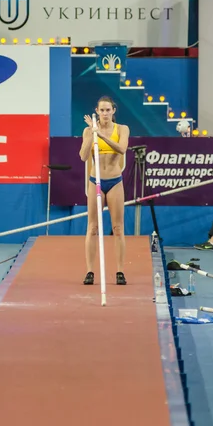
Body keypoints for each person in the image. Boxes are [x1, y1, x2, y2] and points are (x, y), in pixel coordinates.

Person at [79, 96, 130, 285]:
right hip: (96, 181)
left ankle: (120, 271)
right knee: (92, 228)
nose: (105, 113)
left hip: (115, 182)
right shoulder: (88, 130)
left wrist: (99, 135)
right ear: (97, 111)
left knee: (118, 228)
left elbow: (122, 149)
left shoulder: (122, 129)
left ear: (113, 111)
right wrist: (90, 135)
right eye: (102, 110)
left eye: (108, 110)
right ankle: (90, 271)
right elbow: (83, 156)